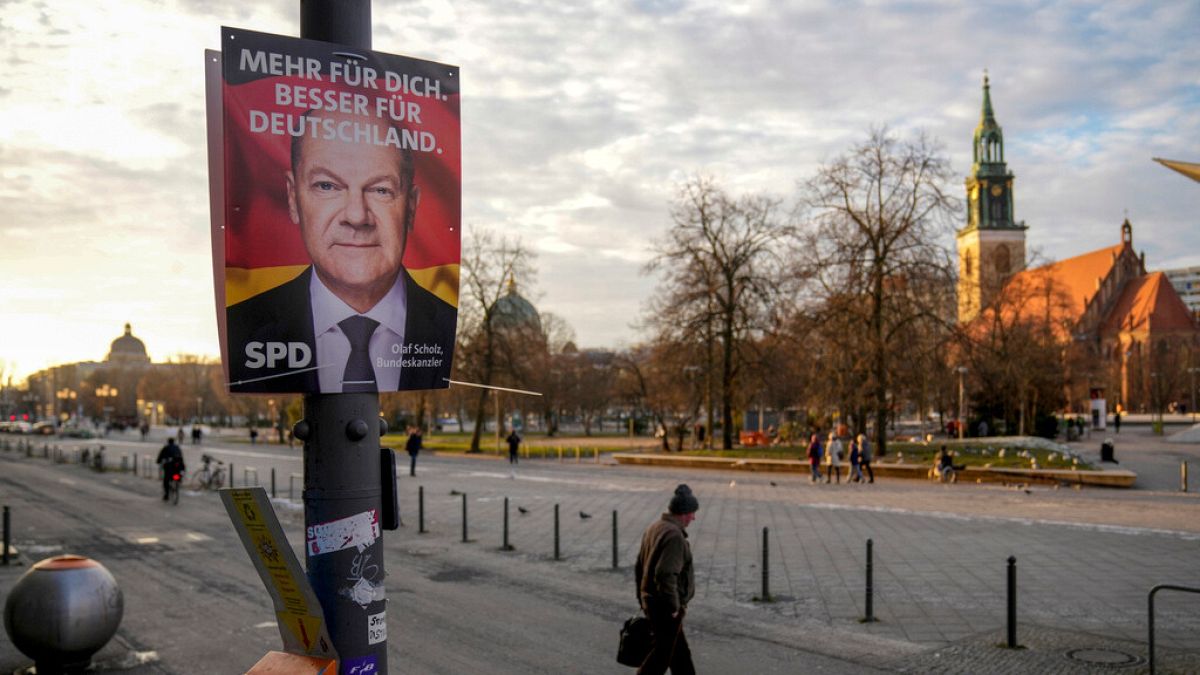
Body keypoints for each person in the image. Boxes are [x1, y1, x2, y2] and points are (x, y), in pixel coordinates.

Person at [226, 110, 457, 394]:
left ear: (410, 206)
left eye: (381, 190)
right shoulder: (241, 327)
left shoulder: (453, 331)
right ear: (293, 197)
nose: (357, 216)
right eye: (327, 186)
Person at [635, 484, 698, 675]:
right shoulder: (674, 536)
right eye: (692, 513)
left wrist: (641, 597)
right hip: (664, 606)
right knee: (660, 658)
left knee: (680, 657)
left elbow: (639, 566)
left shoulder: (655, 527)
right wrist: (673, 607)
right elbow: (665, 573)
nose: (694, 518)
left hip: (652, 601)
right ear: (683, 513)